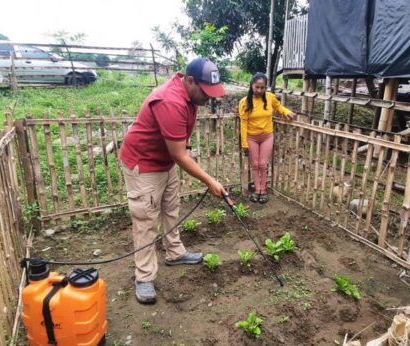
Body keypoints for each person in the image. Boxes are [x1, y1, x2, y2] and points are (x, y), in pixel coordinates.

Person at [119, 57, 228, 304]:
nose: (209, 98)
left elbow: (179, 146)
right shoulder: (170, 101)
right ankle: (144, 277)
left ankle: (175, 252)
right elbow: (180, 154)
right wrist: (209, 180)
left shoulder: (191, 97)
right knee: (146, 219)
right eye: (206, 91)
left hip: (164, 161)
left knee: (171, 208)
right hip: (144, 162)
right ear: (190, 81)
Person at [238, 73, 292, 203]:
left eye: (262, 88)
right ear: (251, 86)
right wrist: (245, 143)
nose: (259, 90)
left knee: (263, 164)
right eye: (257, 87)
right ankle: (257, 189)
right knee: (255, 164)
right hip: (252, 137)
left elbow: (278, 107)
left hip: (267, 136)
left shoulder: (270, 97)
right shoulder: (244, 102)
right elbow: (243, 123)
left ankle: (263, 190)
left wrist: (287, 112)